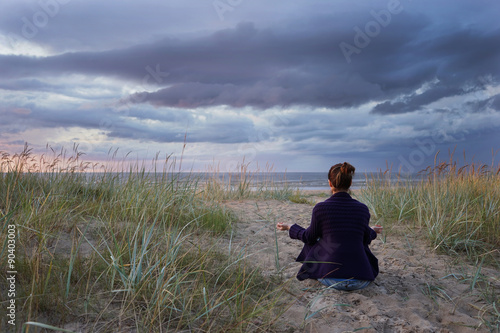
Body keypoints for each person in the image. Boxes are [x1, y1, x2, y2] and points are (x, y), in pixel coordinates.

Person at [276, 162, 382, 291]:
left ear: (330, 183)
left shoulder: (321, 208)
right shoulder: (362, 209)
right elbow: (365, 238)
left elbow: (308, 237)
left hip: (329, 278)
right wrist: (372, 231)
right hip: (361, 279)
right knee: (354, 238)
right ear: (350, 184)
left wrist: (290, 227)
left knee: (318, 239)